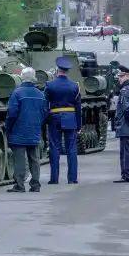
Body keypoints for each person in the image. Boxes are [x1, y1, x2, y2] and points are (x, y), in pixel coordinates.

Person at [5, 67, 48, 193]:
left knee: (19, 159)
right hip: (34, 130)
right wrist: (37, 124)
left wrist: (9, 127)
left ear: (22, 78)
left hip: (18, 130)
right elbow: (45, 113)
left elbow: (12, 113)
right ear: (34, 78)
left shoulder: (17, 93)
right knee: (34, 159)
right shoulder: (40, 95)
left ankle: (19, 185)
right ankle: (35, 184)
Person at [44, 56, 82, 184]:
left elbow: (45, 105)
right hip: (71, 118)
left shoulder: (49, 85)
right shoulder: (75, 86)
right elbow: (78, 107)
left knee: (54, 148)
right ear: (67, 70)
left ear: (57, 70)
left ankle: (54, 178)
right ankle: (72, 178)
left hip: (54, 118)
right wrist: (79, 125)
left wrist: (46, 120)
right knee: (71, 149)